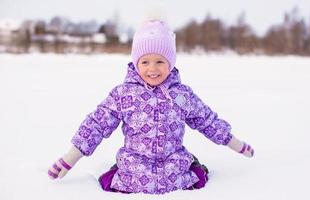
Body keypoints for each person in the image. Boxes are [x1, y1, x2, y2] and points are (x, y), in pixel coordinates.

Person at [48, 19, 254, 194]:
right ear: (136, 63)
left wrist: (235, 143)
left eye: (160, 61)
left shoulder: (181, 95)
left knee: (195, 167)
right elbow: (96, 125)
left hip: (174, 173)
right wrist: (70, 159)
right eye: (145, 62)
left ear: (171, 63)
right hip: (133, 173)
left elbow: (207, 121)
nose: (152, 69)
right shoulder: (124, 94)